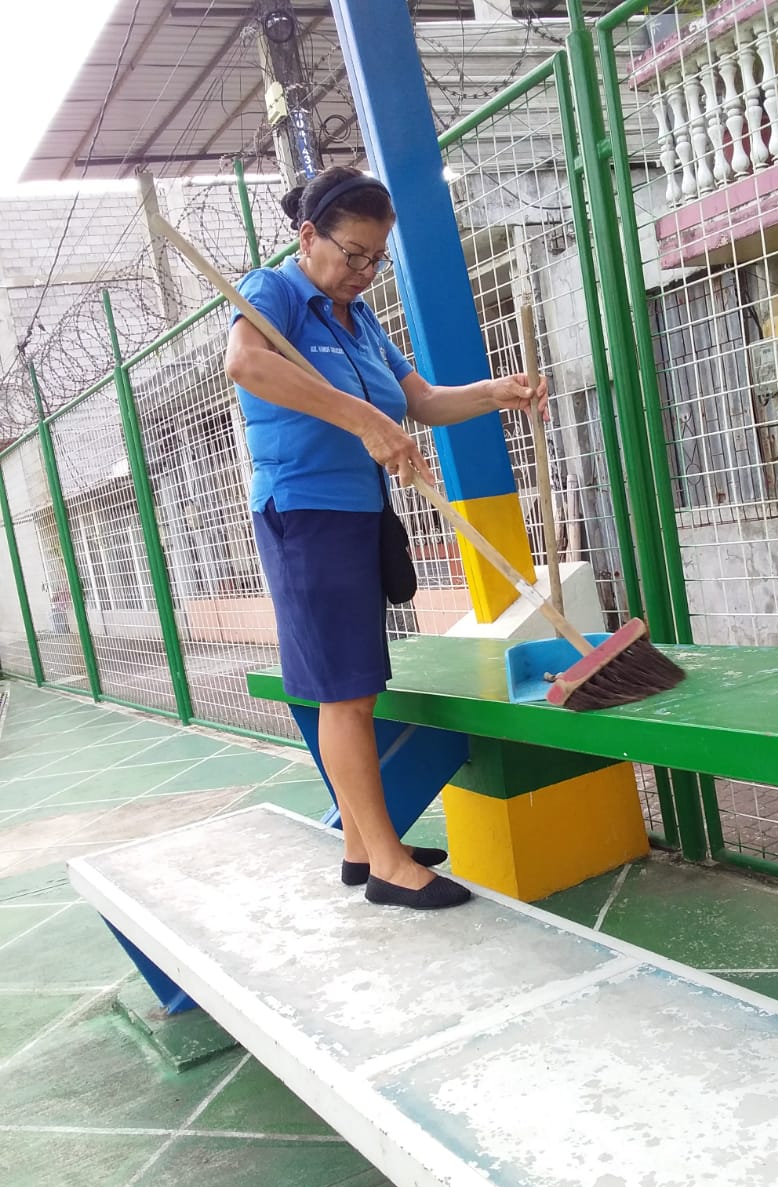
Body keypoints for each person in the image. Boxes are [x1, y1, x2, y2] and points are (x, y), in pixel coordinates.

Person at [225, 166, 547, 911]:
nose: (364, 272)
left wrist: (497, 392)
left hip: (362, 516)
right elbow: (246, 363)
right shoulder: (275, 292)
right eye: (352, 254)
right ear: (308, 236)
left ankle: (360, 847)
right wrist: (363, 419)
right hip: (305, 514)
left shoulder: (360, 319)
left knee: (356, 687)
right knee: (347, 695)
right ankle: (387, 866)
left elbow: (422, 401)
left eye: (376, 259)